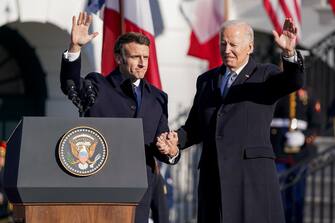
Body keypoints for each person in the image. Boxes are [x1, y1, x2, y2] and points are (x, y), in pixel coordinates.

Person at [157, 18, 304, 223]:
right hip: (214, 181)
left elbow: (293, 81)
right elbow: (195, 126)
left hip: (251, 182)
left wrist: (289, 54)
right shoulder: (206, 80)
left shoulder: (265, 75)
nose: (227, 49)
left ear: (250, 47)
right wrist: (176, 143)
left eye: (233, 44)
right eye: (223, 44)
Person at [60, 12, 179, 223]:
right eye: (135, 57)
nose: (143, 63)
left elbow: (159, 145)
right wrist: (75, 48)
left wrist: (171, 151)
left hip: (141, 192)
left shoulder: (158, 97)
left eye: (146, 57)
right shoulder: (98, 86)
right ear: (118, 58)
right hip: (101, 187)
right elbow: (71, 86)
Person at [271, 87, 321, 223]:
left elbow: (316, 124)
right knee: (277, 197)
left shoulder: (308, 95)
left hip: (300, 155)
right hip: (277, 152)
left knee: (297, 197)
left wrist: (305, 138)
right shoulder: (274, 92)